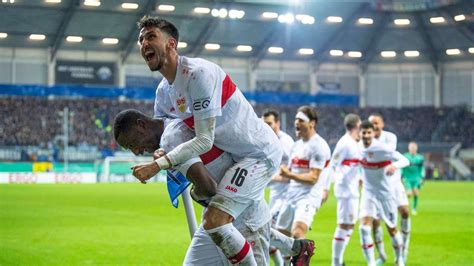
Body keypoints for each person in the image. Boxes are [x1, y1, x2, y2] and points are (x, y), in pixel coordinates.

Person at [129, 15, 309, 265]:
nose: (143, 43)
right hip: (231, 158)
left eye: (151, 37)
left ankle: (289, 249)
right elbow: (169, 133)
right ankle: (295, 248)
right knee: (241, 219)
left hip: (258, 155)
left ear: (172, 43)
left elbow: (203, 140)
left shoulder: (198, 75)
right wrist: (162, 152)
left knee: (216, 220)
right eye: (140, 39)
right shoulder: (163, 92)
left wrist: (158, 165)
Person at [113, 109, 314, 265]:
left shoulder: (172, 138)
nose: (137, 151)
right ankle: (295, 247)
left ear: (141, 125)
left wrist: (193, 191)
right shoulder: (174, 124)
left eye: (132, 143)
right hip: (223, 218)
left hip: (242, 219)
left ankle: (296, 247)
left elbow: (208, 188)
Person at [276, 106, 331, 243]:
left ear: (312, 123)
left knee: (297, 232)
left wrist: (289, 175)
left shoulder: (319, 146)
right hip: (291, 195)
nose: (296, 123)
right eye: (296, 119)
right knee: (281, 237)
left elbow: (313, 178)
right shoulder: (297, 145)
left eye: (301, 120)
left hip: (308, 196)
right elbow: (287, 173)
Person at [358, 121, 409, 266]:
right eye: (364, 132)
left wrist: (394, 165)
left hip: (385, 194)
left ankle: (399, 259)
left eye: (369, 133)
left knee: (392, 229)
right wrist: (359, 178)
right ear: (360, 133)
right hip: (368, 193)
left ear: (373, 134)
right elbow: (356, 165)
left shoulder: (382, 149)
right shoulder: (357, 147)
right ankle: (371, 263)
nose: (366, 135)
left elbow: (404, 160)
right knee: (364, 227)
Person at [328, 114, 362, 266]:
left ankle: (339, 260)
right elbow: (333, 165)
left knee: (350, 224)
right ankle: (336, 262)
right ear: (357, 126)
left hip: (352, 189)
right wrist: (340, 181)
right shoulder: (345, 143)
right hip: (346, 191)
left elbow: (352, 166)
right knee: (343, 224)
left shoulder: (355, 143)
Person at [262, 110, 295, 266]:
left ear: (277, 124)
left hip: (288, 196)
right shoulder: (265, 141)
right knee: (267, 234)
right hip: (275, 195)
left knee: (268, 232)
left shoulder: (286, 143)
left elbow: (292, 172)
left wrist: (273, 178)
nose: (266, 127)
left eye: (269, 123)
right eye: (264, 124)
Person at [402, 141, 425, 215]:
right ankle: (402, 204)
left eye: (413, 147)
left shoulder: (420, 158)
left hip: (416, 178)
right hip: (407, 178)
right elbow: (401, 167)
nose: (412, 149)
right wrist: (401, 175)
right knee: (408, 194)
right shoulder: (405, 156)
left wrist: (422, 177)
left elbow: (422, 168)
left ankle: (414, 209)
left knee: (415, 193)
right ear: (408, 148)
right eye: (411, 147)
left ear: (416, 148)